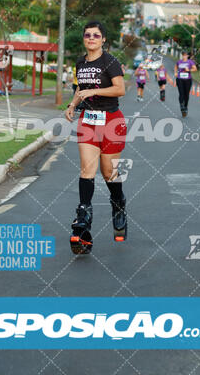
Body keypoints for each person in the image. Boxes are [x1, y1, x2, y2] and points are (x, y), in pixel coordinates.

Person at [65, 21, 128, 243]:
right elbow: (80, 89)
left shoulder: (110, 61)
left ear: (103, 40)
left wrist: (96, 90)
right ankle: (83, 220)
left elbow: (120, 89)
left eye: (96, 35)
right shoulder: (80, 63)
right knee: (86, 169)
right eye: (88, 35)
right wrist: (72, 105)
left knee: (109, 173)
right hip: (88, 121)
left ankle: (119, 204)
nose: (91, 38)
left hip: (111, 122)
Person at [174, 49, 197, 116]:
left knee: (186, 94)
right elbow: (175, 67)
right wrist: (175, 72)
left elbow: (195, 69)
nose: (184, 56)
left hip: (187, 80)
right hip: (180, 79)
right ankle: (182, 106)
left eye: (185, 55)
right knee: (181, 93)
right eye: (183, 55)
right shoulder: (179, 62)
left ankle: (185, 107)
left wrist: (189, 70)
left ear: (187, 56)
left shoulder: (190, 62)